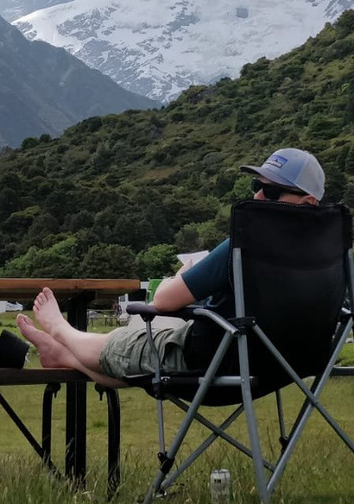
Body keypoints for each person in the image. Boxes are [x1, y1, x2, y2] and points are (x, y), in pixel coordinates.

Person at [16, 147, 325, 387]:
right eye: (257, 186)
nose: (257, 196)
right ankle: (62, 355)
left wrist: (180, 277)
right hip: (287, 366)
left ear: (308, 203)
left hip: (214, 361)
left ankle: (61, 330)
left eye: (271, 192)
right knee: (141, 368)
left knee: (126, 348)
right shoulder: (329, 255)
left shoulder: (245, 244)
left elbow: (163, 302)